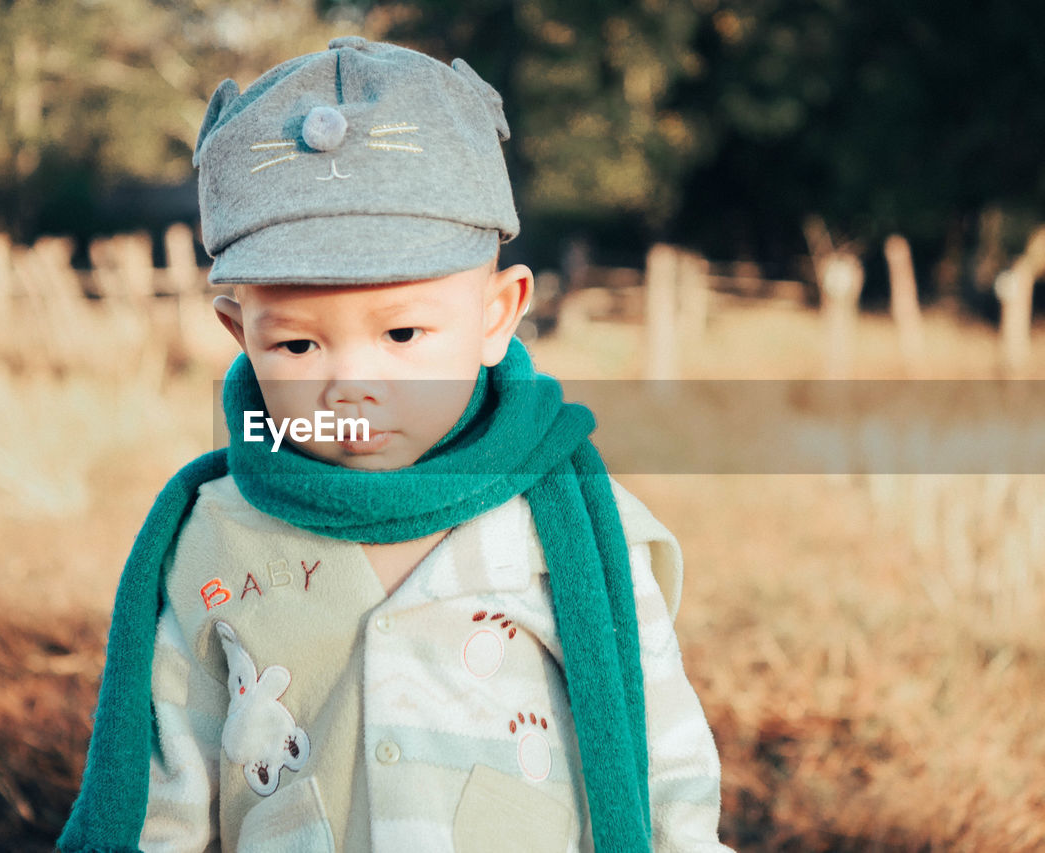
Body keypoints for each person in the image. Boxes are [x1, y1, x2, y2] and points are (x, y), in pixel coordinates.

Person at [59, 36, 730, 853]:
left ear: (497, 314)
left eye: (404, 332)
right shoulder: (213, 539)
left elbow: (669, 770)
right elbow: (162, 799)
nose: (350, 383)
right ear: (238, 331)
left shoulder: (580, 531)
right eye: (297, 347)